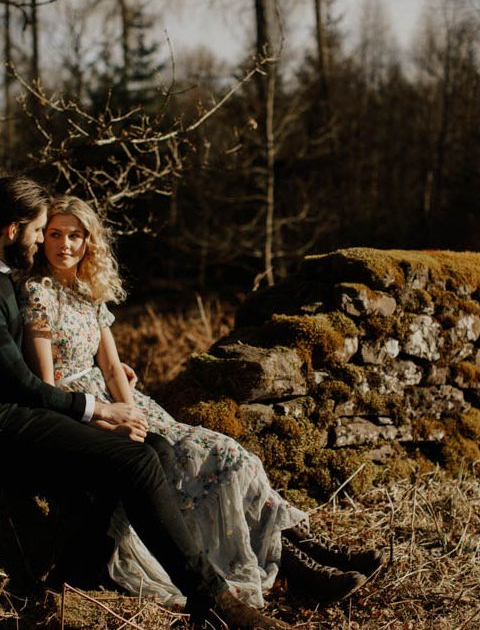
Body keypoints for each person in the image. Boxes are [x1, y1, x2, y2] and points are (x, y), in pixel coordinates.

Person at [18, 194, 383, 611]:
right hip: (82, 408)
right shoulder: (37, 294)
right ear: (42, 238)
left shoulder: (89, 292)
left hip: (122, 400)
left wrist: (133, 408)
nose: (65, 245)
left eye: (76, 236)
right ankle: (292, 568)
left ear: (90, 241)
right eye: (56, 234)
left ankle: (309, 550)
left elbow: (114, 367)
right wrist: (109, 420)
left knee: (232, 454)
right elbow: (49, 383)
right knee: (197, 458)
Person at [0, 175, 291, 629]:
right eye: (43, 230)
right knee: (139, 460)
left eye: (64, 233)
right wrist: (98, 409)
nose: (46, 241)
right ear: (14, 228)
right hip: (14, 420)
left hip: (32, 407)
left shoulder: (10, 279)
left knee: (153, 448)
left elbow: (38, 365)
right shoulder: (21, 287)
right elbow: (26, 382)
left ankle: (82, 568)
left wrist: (116, 389)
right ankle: (210, 599)